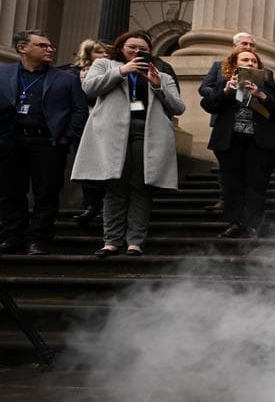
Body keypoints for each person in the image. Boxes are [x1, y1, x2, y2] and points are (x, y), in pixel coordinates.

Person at [72, 30, 186, 256]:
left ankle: (135, 241)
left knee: (141, 188)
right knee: (115, 188)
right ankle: (111, 241)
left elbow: (178, 107)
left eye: (142, 49)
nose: (137, 52)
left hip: (148, 133)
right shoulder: (104, 65)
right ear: (121, 48)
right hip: (112, 134)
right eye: (131, 47)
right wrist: (122, 71)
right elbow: (90, 89)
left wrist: (156, 86)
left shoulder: (162, 74)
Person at [0, 30, 88, 255]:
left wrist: (66, 137)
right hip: (11, 141)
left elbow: (79, 111)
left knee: (46, 193)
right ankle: (13, 237)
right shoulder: (3, 73)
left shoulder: (66, 78)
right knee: (10, 192)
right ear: (23, 48)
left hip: (48, 143)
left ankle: (38, 239)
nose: (50, 49)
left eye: (50, 46)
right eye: (42, 45)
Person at [200, 48, 275, 239]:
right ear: (235, 64)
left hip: (262, 143)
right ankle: (234, 223)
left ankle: (252, 226)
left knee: (256, 185)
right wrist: (226, 91)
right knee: (232, 185)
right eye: (245, 60)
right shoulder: (226, 83)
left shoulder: (268, 84)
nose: (250, 64)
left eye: (254, 61)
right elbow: (208, 105)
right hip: (230, 142)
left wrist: (261, 95)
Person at [198, 32, 266, 214]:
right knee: (226, 167)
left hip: (253, 127)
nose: (248, 47)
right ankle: (224, 199)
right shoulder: (219, 67)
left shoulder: (263, 74)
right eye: (244, 44)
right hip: (226, 120)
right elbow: (204, 87)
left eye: (252, 45)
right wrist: (224, 91)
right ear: (234, 46)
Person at [68, 39, 110, 225]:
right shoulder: (72, 74)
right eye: (99, 52)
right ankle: (90, 206)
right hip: (83, 126)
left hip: (105, 125)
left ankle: (103, 207)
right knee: (86, 169)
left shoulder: (112, 72)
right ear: (88, 53)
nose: (105, 55)